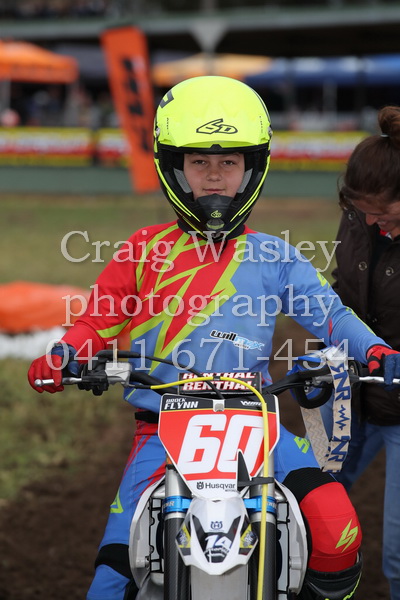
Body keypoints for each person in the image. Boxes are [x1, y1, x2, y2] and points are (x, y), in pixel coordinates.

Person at [27, 77, 400, 600]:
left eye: (229, 162)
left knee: (336, 531)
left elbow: (332, 316)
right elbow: (96, 321)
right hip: (162, 430)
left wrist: (376, 350)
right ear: (175, 168)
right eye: (199, 162)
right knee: (113, 574)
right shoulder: (142, 251)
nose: (215, 175)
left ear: (252, 169)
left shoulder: (274, 256)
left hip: (256, 424)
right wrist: (65, 353)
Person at [320, 105, 400, 600]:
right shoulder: (358, 217)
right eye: (360, 211)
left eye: (383, 213)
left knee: (398, 554)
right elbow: (341, 291)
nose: (370, 221)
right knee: (311, 507)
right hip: (352, 390)